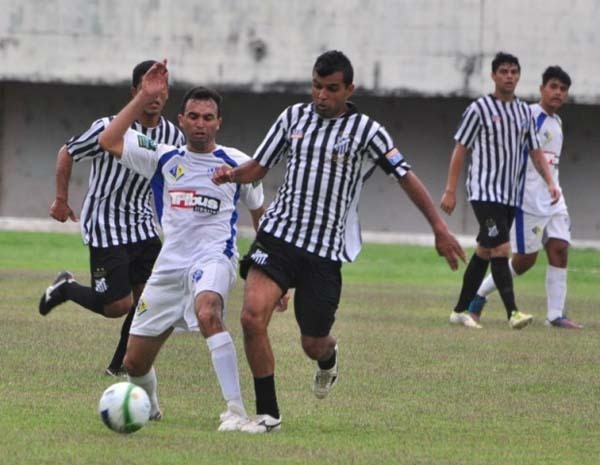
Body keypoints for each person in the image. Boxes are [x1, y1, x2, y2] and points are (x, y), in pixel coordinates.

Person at [212, 50, 466, 433]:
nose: (321, 96)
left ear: (350, 89)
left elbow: (405, 176)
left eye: (331, 89)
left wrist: (439, 228)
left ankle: (328, 359)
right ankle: (268, 415)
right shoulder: (292, 118)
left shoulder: (368, 131)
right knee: (251, 317)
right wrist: (232, 174)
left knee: (312, 342)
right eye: (316, 86)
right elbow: (259, 166)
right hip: (278, 237)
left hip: (324, 251)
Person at [98, 61, 268, 431]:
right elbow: (109, 140)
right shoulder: (161, 155)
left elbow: (259, 213)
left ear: (218, 122)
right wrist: (144, 96)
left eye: (208, 117)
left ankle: (236, 411)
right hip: (169, 266)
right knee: (134, 363)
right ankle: (151, 408)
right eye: (193, 116)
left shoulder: (238, 163)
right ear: (182, 119)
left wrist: (266, 269)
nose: (201, 124)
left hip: (214, 258)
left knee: (209, 312)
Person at [38, 60, 185, 377]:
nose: (156, 95)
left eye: (162, 88)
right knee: (117, 306)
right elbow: (68, 151)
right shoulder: (109, 126)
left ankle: (120, 365)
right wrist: (61, 200)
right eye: (149, 87)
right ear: (136, 91)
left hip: (143, 225)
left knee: (148, 300)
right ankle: (65, 288)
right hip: (106, 226)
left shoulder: (174, 135)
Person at [441, 52, 561, 330]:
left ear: (518, 76)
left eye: (513, 71)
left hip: (510, 195)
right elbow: (461, 148)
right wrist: (450, 189)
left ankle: (460, 310)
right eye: (503, 71)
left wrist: (551, 183)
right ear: (493, 75)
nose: (509, 76)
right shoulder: (479, 109)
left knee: (485, 250)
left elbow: (535, 151)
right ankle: (513, 313)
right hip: (484, 192)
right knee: (502, 249)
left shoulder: (523, 112)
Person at [467, 66, 582, 329]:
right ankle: (478, 295)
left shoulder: (557, 122)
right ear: (542, 89)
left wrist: (553, 186)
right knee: (524, 261)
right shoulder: (528, 115)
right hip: (527, 200)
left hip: (553, 199)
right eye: (553, 87)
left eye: (563, 89)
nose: (558, 93)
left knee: (559, 248)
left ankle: (555, 315)